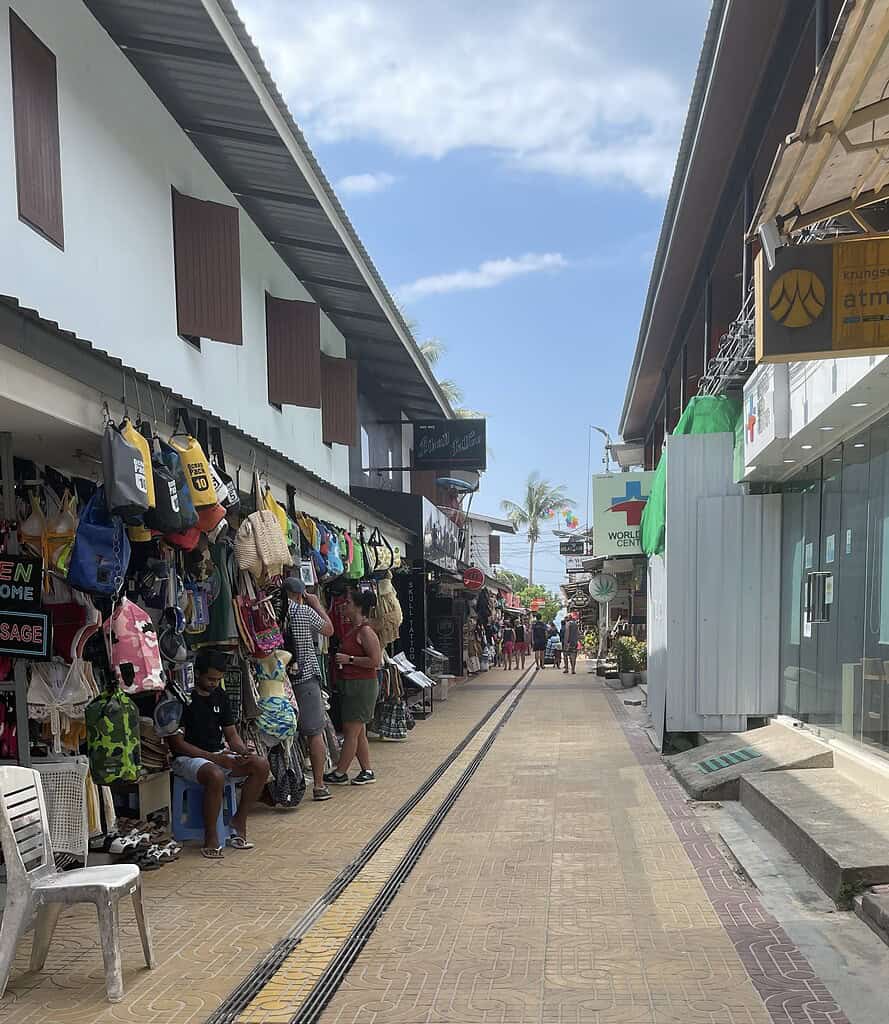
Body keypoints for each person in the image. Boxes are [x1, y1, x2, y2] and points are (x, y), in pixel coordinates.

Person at [168, 648, 270, 859]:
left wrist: (242, 751)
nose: (215, 683)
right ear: (197, 674)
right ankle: (211, 836)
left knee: (260, 765)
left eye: (218, 679)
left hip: (217, 754)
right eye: (211, 678)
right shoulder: (183, 698)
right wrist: (215, 758)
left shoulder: (220, 696)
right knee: (215, 775)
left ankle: (239, 820)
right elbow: (177, 744)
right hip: (188, 758)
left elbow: (231, 734)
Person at [282, 577, 336, 801]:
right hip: (304, 678)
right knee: (314, 732)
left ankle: (285, 786)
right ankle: (320, 786)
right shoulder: (303, 611)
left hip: (278, 682)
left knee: (285, 735)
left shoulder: (274, 611)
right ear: (300, 594)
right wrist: (316, 604)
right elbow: (329, 629)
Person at [324, 588, 383, 786]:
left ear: (358, 607)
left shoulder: (365, 631)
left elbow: (375, 660)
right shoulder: (353, 630)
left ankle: (341, 772)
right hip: (352, 684)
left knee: (351, 730)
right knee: (359, 731)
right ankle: (367, 770)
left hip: (361, 685)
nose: (343, 606)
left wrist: (349, 659)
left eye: (348, 602)